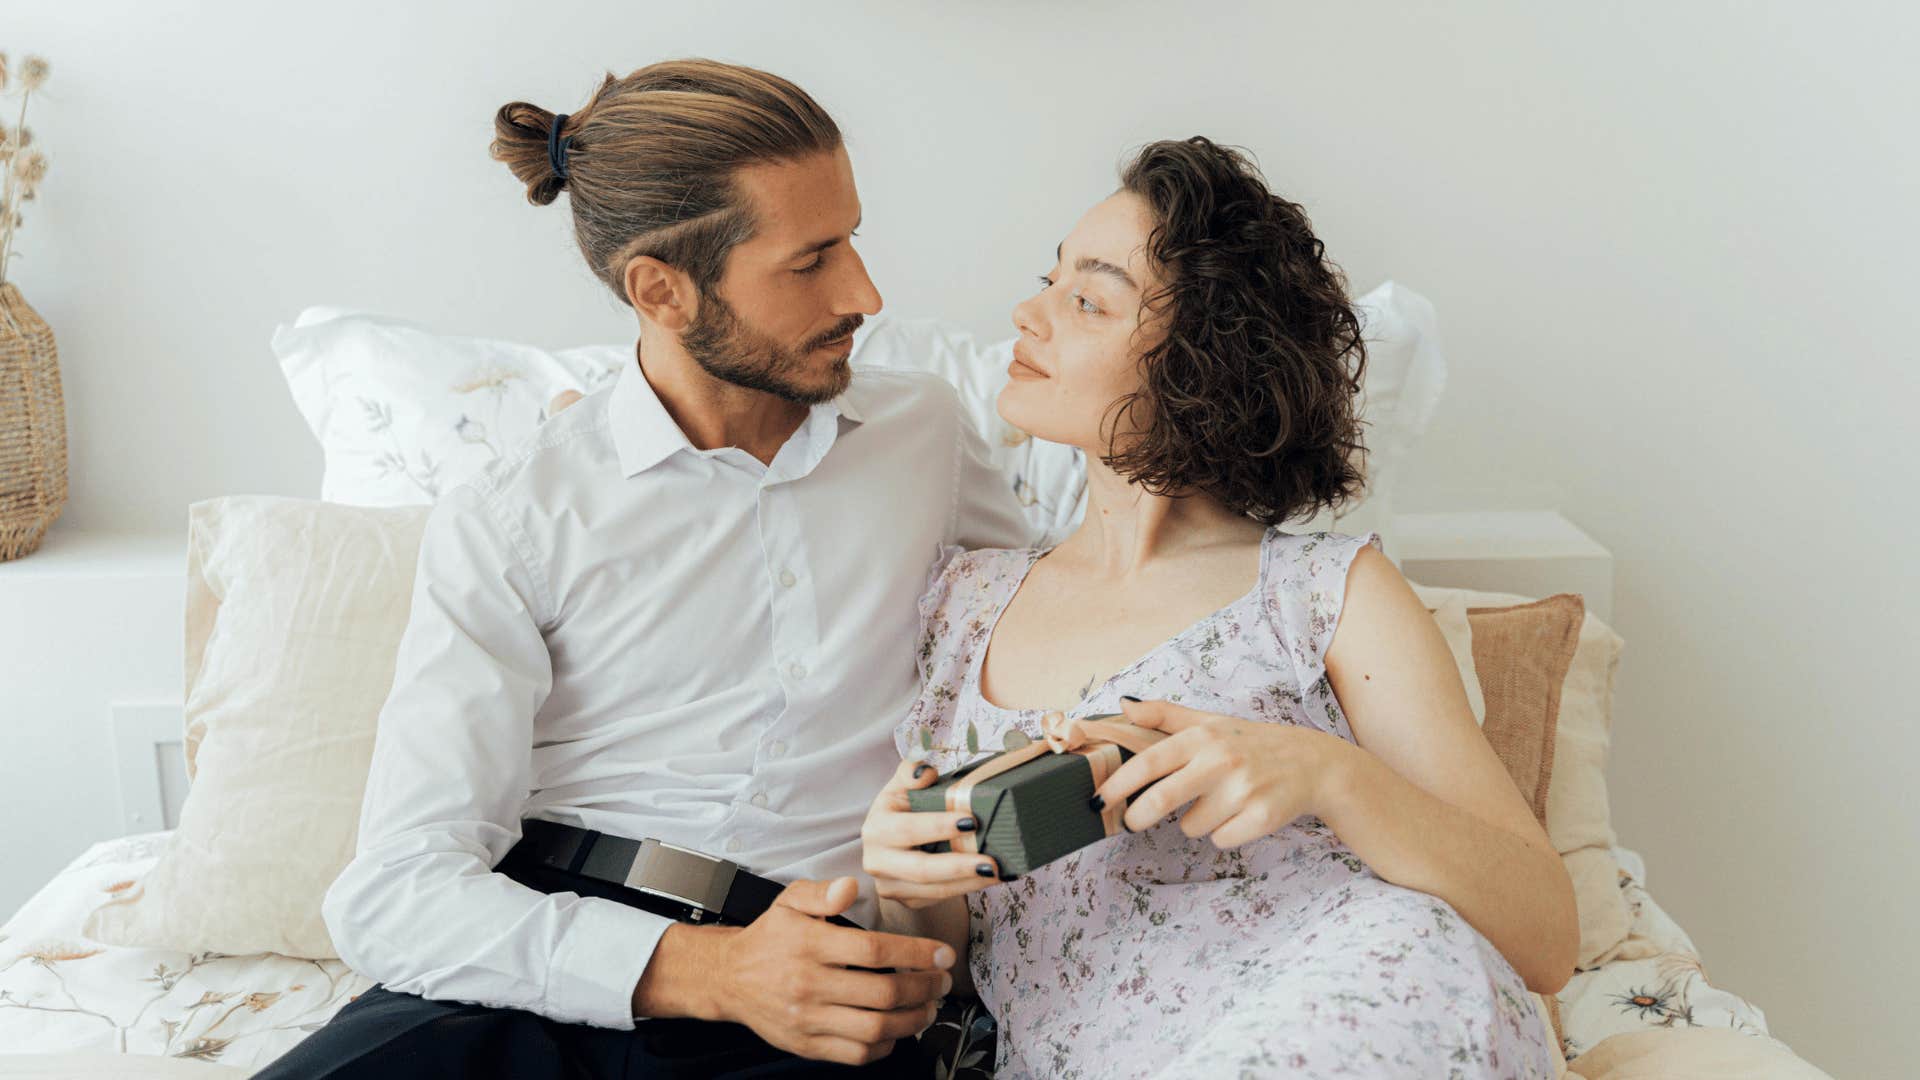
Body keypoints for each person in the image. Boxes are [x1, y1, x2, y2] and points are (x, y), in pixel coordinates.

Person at [255, 59, 1037, 1079]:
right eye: (810, 262)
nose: (865, 293)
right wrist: (708, 970)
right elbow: (395, 889)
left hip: (816, 976)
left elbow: (1059, 641)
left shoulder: (923, 432)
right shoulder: (515, 514)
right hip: (535, 951)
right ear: (661, 290)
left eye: (852, 236)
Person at [859, 136, 1576, 1078]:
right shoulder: (962, 604)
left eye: (1087, 297)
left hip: (1370, 1001)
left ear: (1198, 364)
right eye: (1050, 280)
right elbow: (956, 976)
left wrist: (1326, 775)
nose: (1026, 315)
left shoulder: (1326, 591)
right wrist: (904, 877)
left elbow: (1544, 935)